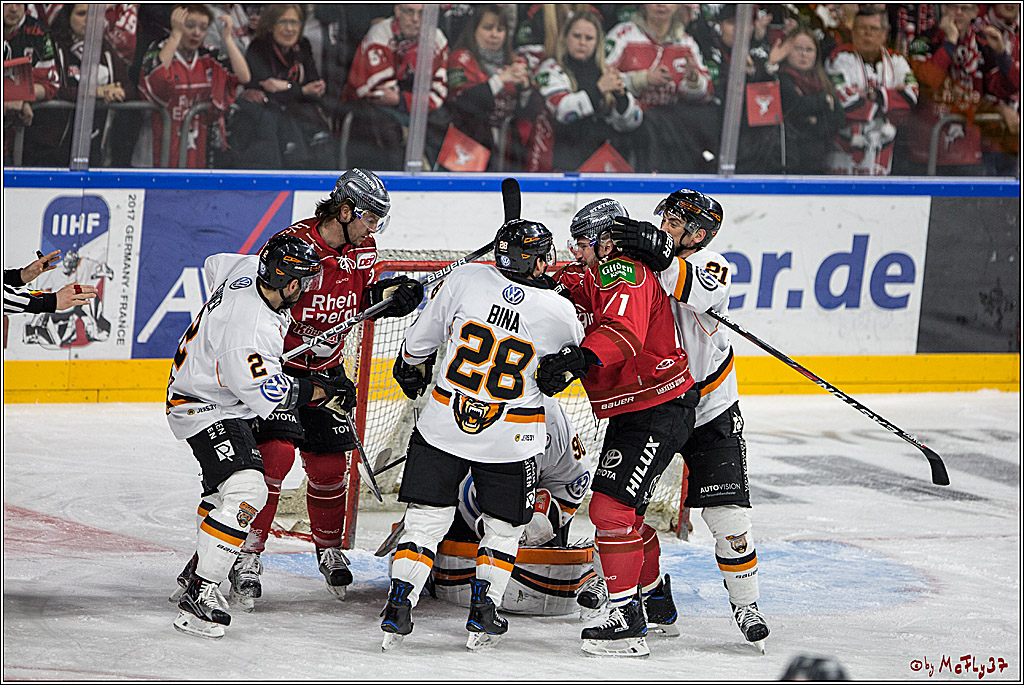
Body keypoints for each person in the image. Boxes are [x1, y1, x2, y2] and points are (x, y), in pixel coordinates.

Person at [379, 219, 584, 651]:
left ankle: (399, 603)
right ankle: (484, 610)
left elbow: (418, 346)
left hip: (442, 426)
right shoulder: (559, 312)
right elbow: (570, 365)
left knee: (425, 521)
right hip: (510, 439)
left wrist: (410, 365)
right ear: (538, 262)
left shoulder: (465, 278)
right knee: (503, 530)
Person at [234, 169, 423, 611]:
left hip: (329, 371)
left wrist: (392, 297)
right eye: (369, 218)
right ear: (345, 211)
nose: (373, 228)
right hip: (282, 370)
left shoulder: (365, 249)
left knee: (331, 467)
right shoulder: (293, 246)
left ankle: (329, 549)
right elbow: (264, 301)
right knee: (275, 460)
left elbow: (359, 298)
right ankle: (248, 553)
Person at [609, 189, 771, 652]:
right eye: (665, 219)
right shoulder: (641, 263)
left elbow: (693, 286)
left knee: (729, 519)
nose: (664, 226)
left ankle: (746, 604)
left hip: (711, 409)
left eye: (675, 222)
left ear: (698, 235)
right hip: (654, 407)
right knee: (620, 507)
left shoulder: (713, 265)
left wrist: (656, 251)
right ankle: (644, 592)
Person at [166, 235, 345, 639]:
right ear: (288, 282)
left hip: (210, 390)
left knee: (222, 495)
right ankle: (200, 592)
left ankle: (197, 571)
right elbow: (271, 395)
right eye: (302, 282)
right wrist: (323, 389)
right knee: (248, 491)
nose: (305, 290)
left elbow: (214, 264)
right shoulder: (250, 332)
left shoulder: (247, 269)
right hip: (204, 405)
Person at [544, 198, 700, 658]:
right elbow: (566, 286)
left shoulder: (624, 270)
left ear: (606, 242)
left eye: (583, 243)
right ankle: (656, 604)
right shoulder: (595, 273)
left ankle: (627, 619)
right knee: (627, 517)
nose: (576, 251)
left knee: (610, 512)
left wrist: (579, 359)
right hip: (640, 407)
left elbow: (623, 333)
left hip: (658, 406)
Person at [906, 3, 1018, 176]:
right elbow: (926, 83)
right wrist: (950, 43)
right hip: (926, 155)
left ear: (975, 12)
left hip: (968, 157)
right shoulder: (923, 41)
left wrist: (1002, 55)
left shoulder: (982, 46)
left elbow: (1004, 89)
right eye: (953, 7)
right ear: (943, 8)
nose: (958, 13)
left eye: (965, 8)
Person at [604, 3, 715, 173]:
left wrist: (694, 81)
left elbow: (707, 92)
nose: (661, 4)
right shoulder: (622, 35)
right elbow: (602, 79)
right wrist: (642, 79)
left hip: (674, 137)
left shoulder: (687, 43)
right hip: (631, 135)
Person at [137, 3, 250, 168]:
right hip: (158, 144)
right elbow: (157, 79)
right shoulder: (159, 49)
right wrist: (175, 34)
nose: (196, 33)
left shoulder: (208, 56)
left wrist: (227, 39)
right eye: (190, 26)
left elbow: (244, 77)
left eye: (203, 28)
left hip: (196, 146)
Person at [22, 4, 134, 167]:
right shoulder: (52, 46)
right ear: (67, 17)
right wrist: (95, 92)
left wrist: (117, 92)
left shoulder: (105, 50)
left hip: (94, 147)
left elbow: (129, 88)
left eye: (93, 14)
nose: (88, 20)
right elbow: (52, 89)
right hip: (50, 150)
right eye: (81, 14)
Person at [341, 3, 450, 170]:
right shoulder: (379, 34)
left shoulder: (437, 39)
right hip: (369, 109)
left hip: (410, 105)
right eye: (409, 12)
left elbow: (437, 93)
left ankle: (432, 176)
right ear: (398, 10)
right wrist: (410, 100)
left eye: (421, 13)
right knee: (384, 124)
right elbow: (380, 93)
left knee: (441, 120)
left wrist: (401, 99)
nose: (415, 19)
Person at [533, 9, 643, 172]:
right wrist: (599, 89)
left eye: (589, 38)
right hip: (563, 156)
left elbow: (633, 121)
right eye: (577, 36)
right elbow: (563, 112)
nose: (582, 42)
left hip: (604, 160)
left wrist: (621, 98)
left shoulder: (606, 71)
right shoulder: (551, 69)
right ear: (565, 38)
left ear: (597, 42)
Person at [231, 4, 334, 170]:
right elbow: (267, 88)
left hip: (299, 116)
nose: (289, 29)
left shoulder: (303, 45)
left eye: (294, 22)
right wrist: (301, 90)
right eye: (283, 22)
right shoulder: (259, 47)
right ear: (271, 25)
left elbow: (314, 86)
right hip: (268, 120)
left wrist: (287, 86)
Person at [446, 4, 541, 171]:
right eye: (488, 28)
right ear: (474, 30)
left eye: (500, 29)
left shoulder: (516, 62)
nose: (494, 34)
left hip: (510, 150)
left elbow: (534, 111)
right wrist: (499, 80)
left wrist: (526, 88)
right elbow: (463, 105)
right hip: (469, 146)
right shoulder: (461, 58)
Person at [825, 7, 919, 176]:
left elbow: (911, 97)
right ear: (853, 32)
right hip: (845, 151)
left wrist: (872, 94)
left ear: (885, 34)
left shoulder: (897, 60)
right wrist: (889, 101)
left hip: (884, 150)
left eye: (873, 29)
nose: (867, 34)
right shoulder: (839, 58)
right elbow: (843, 102)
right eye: (862, 28)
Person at [777, 27, 847, 175]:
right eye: (798, 49)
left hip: (819, 161)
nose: (803, 54)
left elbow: (838, 119)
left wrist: (813, 120)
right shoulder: (780, 79)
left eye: (809, 50)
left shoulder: (823, 81)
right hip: (788, 163)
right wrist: (823, 101)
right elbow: (797, 108)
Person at [3, 250, 96, 315]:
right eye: (67, 262)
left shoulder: (84, 266)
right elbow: (7, 300)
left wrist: (19, 276)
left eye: (71, 263)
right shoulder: (55, 274)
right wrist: (51, 301)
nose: (68, 265)